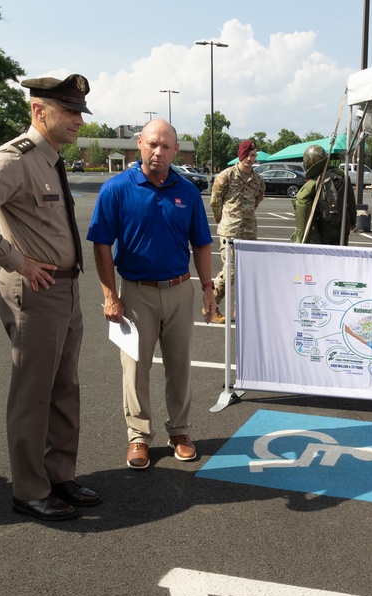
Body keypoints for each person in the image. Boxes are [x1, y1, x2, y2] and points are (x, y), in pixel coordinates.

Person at [0, 73, 100, 522]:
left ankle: (58, 476)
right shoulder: (17, 158)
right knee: (33, 394)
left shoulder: (50, 158)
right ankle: (29, 490)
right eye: (69, 111)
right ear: (38, 110)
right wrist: (15, 260)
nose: (77, 120)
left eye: (79, 112)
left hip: (65, 289)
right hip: (37, 292)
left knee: (64, 388)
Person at [87, 118, 216, 470]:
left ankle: (180, 432)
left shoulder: (187, 192)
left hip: (178, 290)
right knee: (135, 369)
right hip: (136, 293)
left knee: (180, 366)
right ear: (139, 143)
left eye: (166, 146)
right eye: (152, 144)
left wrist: (207, 289)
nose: (158, 152)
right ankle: (139, 437)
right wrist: (110, 294)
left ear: (176, 150)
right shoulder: (116, 189)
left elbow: (202, 244)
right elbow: (101, 244)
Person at [209, 138, 264, 324]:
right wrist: (223, 221)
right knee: (230, 271)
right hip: (229, 232)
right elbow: (215, 201)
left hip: (249, 232)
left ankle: (238, 309)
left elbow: (257, 200)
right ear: (240, 155)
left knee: (246, 273)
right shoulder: (226, 176)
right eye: (247, 154)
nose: (250, 158)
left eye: (253, 155)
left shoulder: (258, 180)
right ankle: (212, 304)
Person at [291, 144, 355, 245]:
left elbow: (303, 213)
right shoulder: (342, 177)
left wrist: (300, 239)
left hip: (323, 230)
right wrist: (353, 222)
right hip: (342, 227)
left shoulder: (311, 185)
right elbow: (351, 202)